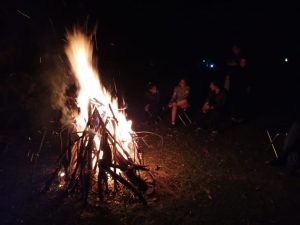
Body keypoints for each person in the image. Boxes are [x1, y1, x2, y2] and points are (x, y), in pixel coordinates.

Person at [225, 44, 247, 122]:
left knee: (239, 99)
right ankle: (232, 115)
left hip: (240, 81)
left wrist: (236, 64)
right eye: (233, 49)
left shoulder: (242, 56)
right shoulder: (232, 57)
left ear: (238, 49)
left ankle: (239, 116)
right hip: (232, 80)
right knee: (232, 98)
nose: (234, 50)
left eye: (235, 49)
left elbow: (242, 65)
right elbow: (228, 63)